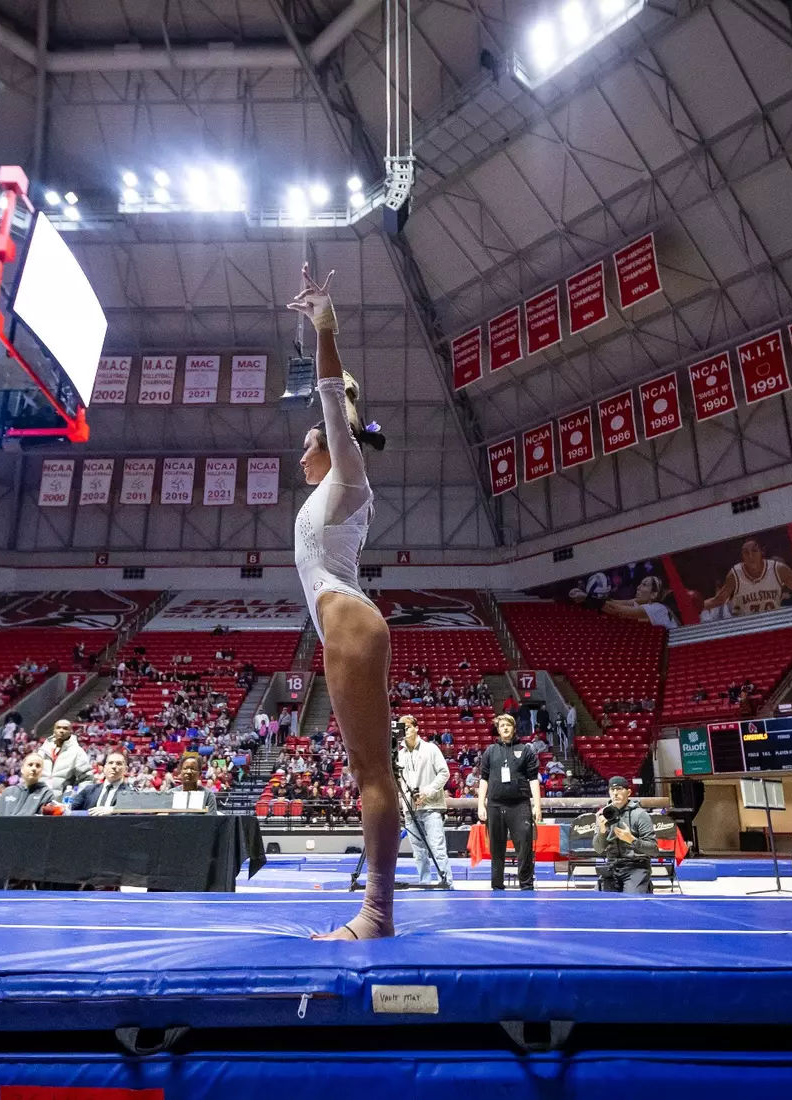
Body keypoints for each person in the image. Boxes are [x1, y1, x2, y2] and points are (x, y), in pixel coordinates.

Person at [287, 264, 394, 940]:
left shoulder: (348, 476)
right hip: (341, 622)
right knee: (364, 771)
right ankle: (376, 912)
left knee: (370, 773)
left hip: (348, 618)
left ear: (331, 448)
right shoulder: (327, 492)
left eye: (308, 447)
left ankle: (378, 915)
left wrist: (324, 323)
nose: (301, 457)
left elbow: (332, 395)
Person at [476, 713, 542, 891]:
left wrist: (537, 805)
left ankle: (526, 885)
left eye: (508, 725)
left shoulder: (526, 750)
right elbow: (484, 779)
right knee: (496, 848)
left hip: (520, 805)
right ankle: (497, 885)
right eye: (501, 725)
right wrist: (480, 804)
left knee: (524, 846)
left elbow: (533, 779)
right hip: (495, 805)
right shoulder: (490, 751)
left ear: (514, 728)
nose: (505, 728)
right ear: (498, 730)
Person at [395, 716, 451, 887]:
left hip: (431, 806)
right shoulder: (400, 754)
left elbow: (444, 773)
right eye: (402, 728)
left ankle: (447, 882)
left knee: (437, 848)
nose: (406, 730)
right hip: (410, 809)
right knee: (419, 853)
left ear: (417, 728)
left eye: (408, 727)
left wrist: (427, 791)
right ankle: (425, 883)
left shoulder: (430, 749)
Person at [703, 539, 792, 617]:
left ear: (762, 552)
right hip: (749, 627)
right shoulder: (735, 574)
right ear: (742, 556)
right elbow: (718, 600)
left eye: (754, 550)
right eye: (746, 553)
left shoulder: (778, 568)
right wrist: (696, 607)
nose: (751, 556)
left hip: (774, 621)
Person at [592, 776, 656, 893]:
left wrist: (632, 840)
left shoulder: (640, 815)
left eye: (619, 789)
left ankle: (644, 885)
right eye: (612, 790)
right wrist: (602, 832)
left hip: (636, 866)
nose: (615, 793)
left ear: (629, 792)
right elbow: (598, 849)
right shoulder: (603, 815)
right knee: (600, 903)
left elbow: (654, 850)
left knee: (632, 903)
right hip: (611, 867)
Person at [67, 751, 137, 814]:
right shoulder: (89, 790)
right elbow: (70, 808)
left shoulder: (131, 793)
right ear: (104, 768)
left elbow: (133, 813)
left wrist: (114, 810)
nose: (114, 766)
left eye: (118, 763)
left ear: (126, 769)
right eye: (110, 763)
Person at [598, 574, 679, 628]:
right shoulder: (642, 602)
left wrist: (593, 601)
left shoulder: (656, 608)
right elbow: (617, 602)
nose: (638, 587)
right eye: (640, 584)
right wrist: (601, 596)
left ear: (653, 594)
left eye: (644, 585)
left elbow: (618, 610)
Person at [41, 719, 94, 793]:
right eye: (58, 728)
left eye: (65, 728)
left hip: (61, 801)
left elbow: (87, 779)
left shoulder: (77, 752)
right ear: (54, 730)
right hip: (40, 799)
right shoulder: (43, 750)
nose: (61, 730)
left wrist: (75, 797)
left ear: (71, 732)